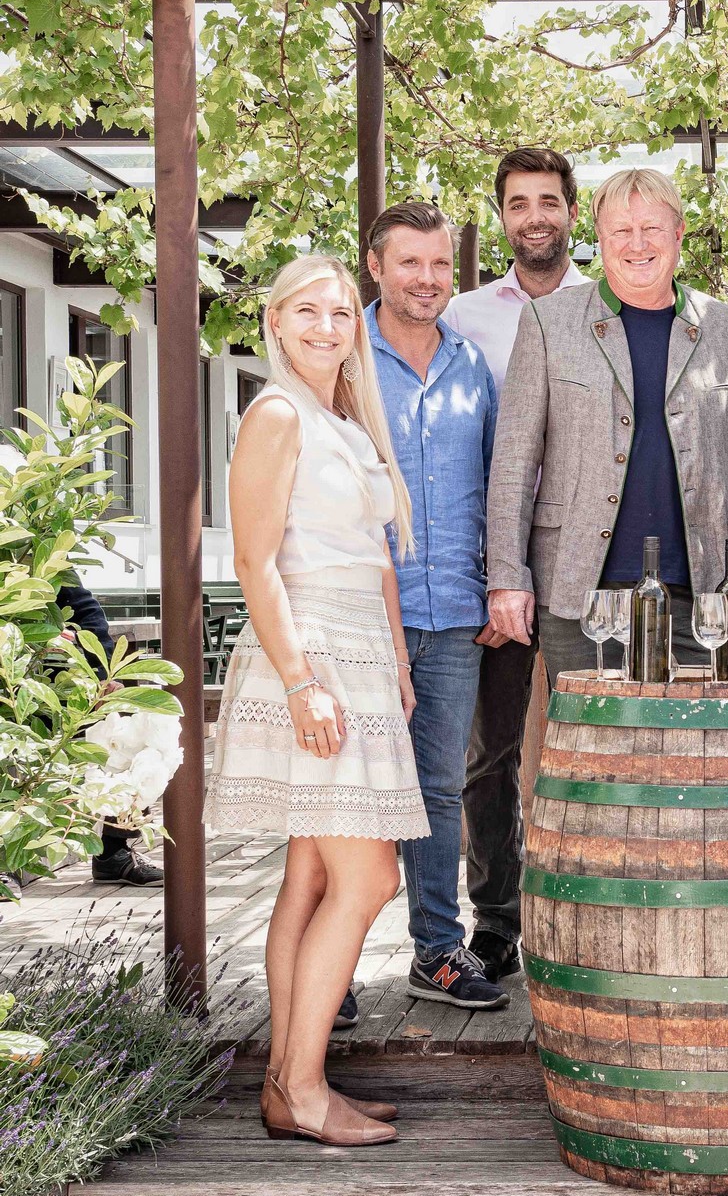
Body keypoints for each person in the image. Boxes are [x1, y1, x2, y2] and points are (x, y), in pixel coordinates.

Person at [207, 253, 426, 1147]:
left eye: (339, 313)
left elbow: (376, 557)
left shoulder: (345, 417)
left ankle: (287, 1084)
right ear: (275, 322)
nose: (326, 327)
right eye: (306, 311)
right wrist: (303, 683)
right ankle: (301, 1089)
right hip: (314, 655)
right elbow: (254, 563)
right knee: (369, 878)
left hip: (364, 654)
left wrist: (399, 662)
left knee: (312, 876)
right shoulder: (276, 414)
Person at [486, 169, 728, 677]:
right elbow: (514, 463)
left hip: (704, 595)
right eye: (621, 231)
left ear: (679, 233)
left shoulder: (726, 327)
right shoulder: (547, 322)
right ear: (599, 238)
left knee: (698, 731)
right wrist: (506, 575)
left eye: (651, 229)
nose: (637, 244)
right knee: (586, 732)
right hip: (580, 593)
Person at [445, 148, 591, 980]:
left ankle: (584, 909)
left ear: (571, 211)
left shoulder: (608, 308)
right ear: (502, 216)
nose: (534, 216)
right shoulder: (463, 317)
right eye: (518, 203)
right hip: (489, 560)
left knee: (587, 746)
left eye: (548, 200)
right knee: (490, 752)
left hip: (583, 562)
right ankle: (496, 921)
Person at [363, 201, 508, 1012]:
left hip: (453, 613)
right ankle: (332, 965)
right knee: (348, 792)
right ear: (376, 266)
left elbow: (494, 486)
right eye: (410, 262)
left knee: (440, 789)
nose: (427, 278)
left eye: (440, 264)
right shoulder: (346, 359)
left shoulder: (471, 365)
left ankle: (437, 952)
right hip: (360, 617)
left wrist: (497, 582)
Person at [48, 579, 159, 887]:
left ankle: (114, 851)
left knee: (130, 729)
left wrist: (100, 675)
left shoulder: (41, 552)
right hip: (18, 671)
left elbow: (86, 611)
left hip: (54, 671)